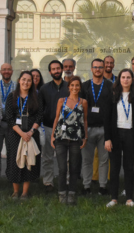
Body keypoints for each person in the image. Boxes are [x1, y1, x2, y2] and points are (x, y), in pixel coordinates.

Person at [105, 69, 134, 207]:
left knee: (129, 167)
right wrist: (107, 138)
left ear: (132, 79)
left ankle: (129, 197)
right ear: (119, 79)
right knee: (115, 167)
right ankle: (114, 198)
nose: (126, 80)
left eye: (128, 77)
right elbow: (107, 119)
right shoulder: (113, 95)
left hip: (131, 134)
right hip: (115, 134)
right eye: (123, 77)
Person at [4, 71, 43, 199]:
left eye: (29, 80)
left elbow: (39, 116)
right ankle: (15, 191)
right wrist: (21, 133)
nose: (26, 82)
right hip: (15, 135)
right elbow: (9, 118)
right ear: (19, 80)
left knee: (29, 162)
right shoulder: (12, 97)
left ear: (32, 83)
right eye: (24, 79)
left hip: (31, 134)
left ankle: (25, 192)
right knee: (14, 161)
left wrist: (30, 132)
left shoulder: (36, 97)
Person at [51, 76, 88, 205]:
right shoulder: (62, 100)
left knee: (74, 168)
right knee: (62, 168)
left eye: (77, 85)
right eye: (72, 85)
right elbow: (56, 118)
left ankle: (72, 194)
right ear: (68, 87)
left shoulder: (83, 102)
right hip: (61, 137)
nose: (74, 88)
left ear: (80, 87)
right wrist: (52, 136)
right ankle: (62, 194)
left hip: (75, 139)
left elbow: (85, 121)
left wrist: (85, 137)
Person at [79, 58, 113, 195]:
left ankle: (102, 186)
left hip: (104, 129)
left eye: (100, 67)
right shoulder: (85, 86)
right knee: (87, 160)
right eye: (95, 67)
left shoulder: (110, 86)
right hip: (88, 128)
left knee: (104, 160)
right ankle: (86, 186)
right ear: (91, 69)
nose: (98, 69)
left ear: (104, 68)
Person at [38, 60, 68, 191]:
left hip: (67, 128)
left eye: (58, 68)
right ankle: (48, 182)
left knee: (66, 157)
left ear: (61, 70)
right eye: (53, 69)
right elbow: (40, 108)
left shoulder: (69, 87)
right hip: (49, 126)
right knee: (48, 157)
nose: (56, 71)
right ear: (50, 72)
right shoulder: (44, 88)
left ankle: (66, 181)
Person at [0, 63, 15, 182]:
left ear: (12, 71)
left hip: (12, 124)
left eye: (8, 69)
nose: (6, 71)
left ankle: (11, 175)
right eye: (4, 69)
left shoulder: (17, 86)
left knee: (12, 151)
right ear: (0, 71)